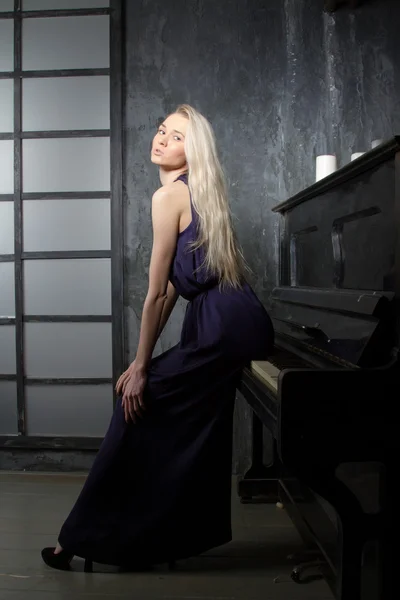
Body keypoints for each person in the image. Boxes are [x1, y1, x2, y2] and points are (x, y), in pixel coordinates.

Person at [41, 104, 274, 572]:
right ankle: (149, 538)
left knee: (139, 406)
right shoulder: (194, 192)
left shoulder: (168, 197)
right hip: (234, 319)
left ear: (194, 151)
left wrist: (143, 367)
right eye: (162, 131)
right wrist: (142, 360)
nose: (162, 139)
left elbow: (152, 295)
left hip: (223, 325)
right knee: (173, 418)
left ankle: (85, 539)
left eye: (177, 136)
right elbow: (169, 290)